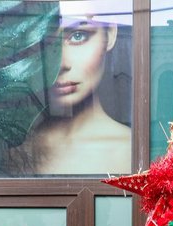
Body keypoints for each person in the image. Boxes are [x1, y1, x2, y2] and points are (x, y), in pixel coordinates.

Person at [13, 3, 131, 175]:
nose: (61, 64)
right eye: (45, 43)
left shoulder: (132, 152)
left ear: (110, 34)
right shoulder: (18, 151)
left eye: (78, 36)